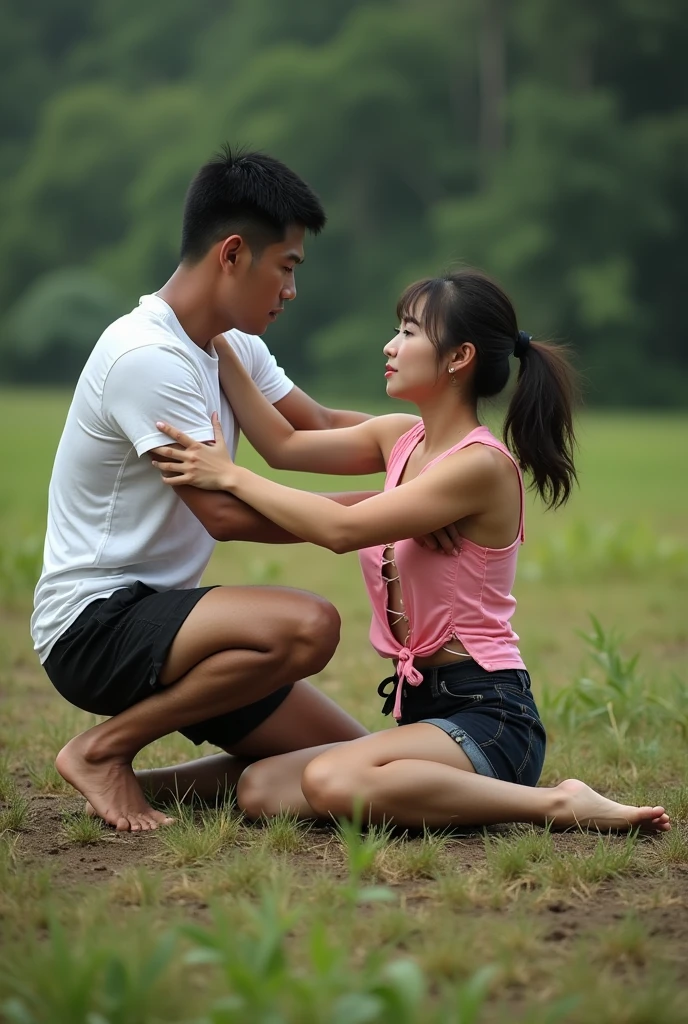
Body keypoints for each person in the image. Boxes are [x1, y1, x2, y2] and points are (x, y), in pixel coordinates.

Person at [31, 147, 460, 833]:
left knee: (351, 765)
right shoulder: (148, 358)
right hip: (95, 626)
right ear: (233, 254)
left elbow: (316, 426)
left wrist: (443, 446)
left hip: (175, 629)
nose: (291, 289)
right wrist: (402, 513)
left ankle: (157, 786)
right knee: (309, 626)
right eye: (286, 267)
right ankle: (102, 751)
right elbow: (225, 513)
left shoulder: (229, 344)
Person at [152, 269, 671, 833]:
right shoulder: (402, 438)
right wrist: (216, 334)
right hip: (422, 711)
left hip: (489, 715)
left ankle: (557, 803)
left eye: (408, 332)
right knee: (259, 789)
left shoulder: (480, 466)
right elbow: (284, 444)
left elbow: (340, 530)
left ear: (458, 357)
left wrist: (229, 477)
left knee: (330, 782)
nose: (390, 346)